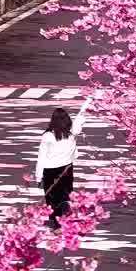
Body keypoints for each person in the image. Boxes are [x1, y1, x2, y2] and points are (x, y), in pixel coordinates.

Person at [36, 91, 97, 223]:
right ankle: (65, 221)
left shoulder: (47, 136)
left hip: (50, 171)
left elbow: (41, 157)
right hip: (66, 170)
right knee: (65, 197)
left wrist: (38, 176)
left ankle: (55, 223)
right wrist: (90, 100)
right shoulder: (72, 133)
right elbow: (81, 115)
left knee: (52, 200)